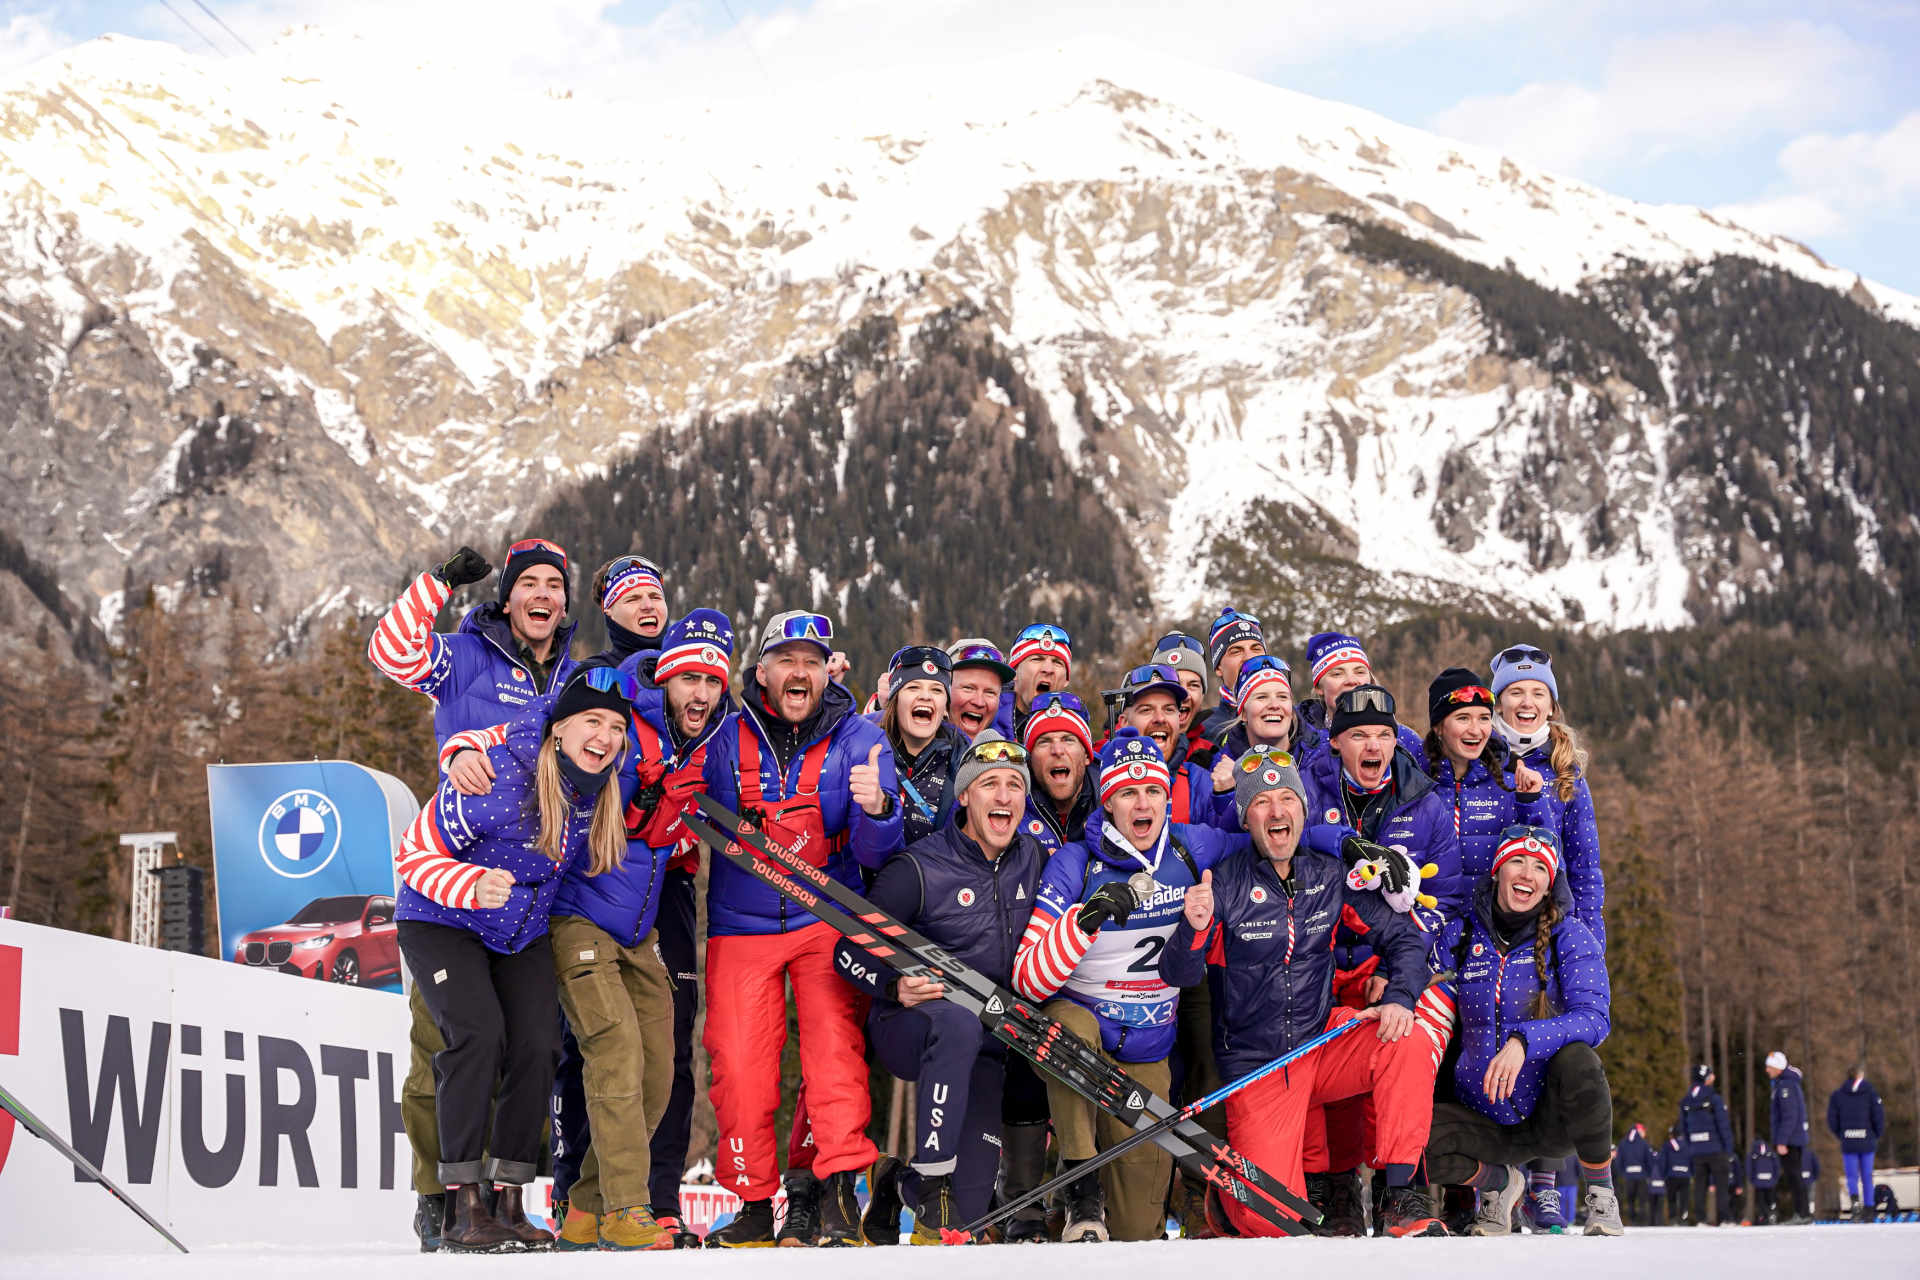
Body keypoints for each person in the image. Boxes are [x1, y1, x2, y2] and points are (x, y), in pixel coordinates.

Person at [367, 537, 581, 1248]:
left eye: (554, 585)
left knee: (529, 1043)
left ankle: (503, 1199)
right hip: (450, 866)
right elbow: (390, 652)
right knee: (450, 1044)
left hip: (522, 891)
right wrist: (435, 583)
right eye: (530, 583)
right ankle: (441, 1200)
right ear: (507, 596)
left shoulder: (572, 677)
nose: (543, 595)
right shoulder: (464, 655)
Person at [1161, 746, 1452, 1238]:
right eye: (1262, 802)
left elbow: (1404, 937)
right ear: (1246, 819)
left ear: (1302, 809)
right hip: (1260, 1065)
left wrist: (1401, 997)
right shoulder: (1225, 882)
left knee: (1408, 1038)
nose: (1277, 811)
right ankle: (1230, 1199)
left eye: (1287, 799)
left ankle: (1402, 1195)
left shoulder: (1327, 873)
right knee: (1269, 1220)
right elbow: (1180, 973)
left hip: (1322, 1042)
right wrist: (1194, 925)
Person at [393, 665, 634, 1252]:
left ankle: (508, 1198)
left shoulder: (593, 790)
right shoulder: (496, 776)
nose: (604, 737)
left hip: (517, 931)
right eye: (591, 721)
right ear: (559, 728)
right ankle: (461, 1206)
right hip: (441, 919)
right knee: (477, 1036)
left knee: (539, 1045)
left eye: (615, 727)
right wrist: (469, 884)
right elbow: (412, 855)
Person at [698, 609, 901, 1246]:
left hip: (826, 916)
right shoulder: (726, 735)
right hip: (740, 923)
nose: (799, 671)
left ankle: (837, 1190)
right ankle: (754, 1201)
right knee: (739, 1064)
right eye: (786, 660)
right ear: (762, 672)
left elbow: (874, 852)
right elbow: (680, 777)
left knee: (834, 1056)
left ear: (825, 674)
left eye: (811, 662)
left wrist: (878, 809)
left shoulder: (861, 739)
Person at [1011, 729, 1237, 1242]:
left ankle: (1071, 1201)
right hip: (1084, 1031)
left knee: (1138, 1231)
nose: (1143, 803)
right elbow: (1027, 979)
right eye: (1128, 793)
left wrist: (1342, 843)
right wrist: (1081, 922)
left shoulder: (1189, 846)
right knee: (1066, 1031)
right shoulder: (1075, 862)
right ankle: (1080, 1188)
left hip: (1147, 1049)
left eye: (1153, 790)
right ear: (1108, 802)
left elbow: (1268, 835)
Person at [835, 732, 1051, 1244]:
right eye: (990, 784)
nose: (1004, 796)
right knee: (957, 1020)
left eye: (1015, 785)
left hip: (989, 1044)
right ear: (965, 795)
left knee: (965, 1213)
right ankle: (931, 1180)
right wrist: (894, 985)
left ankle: (897, 1182)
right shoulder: (920, 868)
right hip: (914, 1025)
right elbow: (847, 953)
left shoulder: (1035, 859)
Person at [1299, 682, 1464, 1232]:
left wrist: (1396, 978)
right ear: (1336, 743)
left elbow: (1448, 904)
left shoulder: (1426, 803)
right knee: (1312, 1043)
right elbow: (1281, 841)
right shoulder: (1308, 785)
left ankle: (1403, 1187)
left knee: (1406, 1037)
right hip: (1322, 962)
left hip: (1402, 961)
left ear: (1396, 741)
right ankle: (1336, 1185)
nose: (1373, 746)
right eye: (1359, 736)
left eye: (1383, 736)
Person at [1425, 826, 1622, 1237]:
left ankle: (1601, 1195)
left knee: (1580, 1060)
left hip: (1546, 1117)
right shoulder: (1461, 934)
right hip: (1482, 1116)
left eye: (1539, 867)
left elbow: (1594, 1018)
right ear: (1498, 870)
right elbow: (1425, 989)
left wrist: (1524, 1040)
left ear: (1549, 883)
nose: (1527, 874)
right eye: (1517, 861)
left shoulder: (1570, 936)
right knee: (1408, 1141)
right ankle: (1500, 1185)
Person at [1488, 646, 1604, 948]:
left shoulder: (1566, 771)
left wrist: (1590, 944)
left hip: (1548, 929)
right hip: (1482, 928)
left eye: (1538, 693)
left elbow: (1585, 868)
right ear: (1498, 704)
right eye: (1515, 692)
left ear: (1551, 706)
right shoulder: (1475, 758)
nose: (1527, 702)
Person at [1422, 669, 1547, 880]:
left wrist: (1531, 801)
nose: (1476, 730)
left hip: (1489, 903)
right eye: (1463, 718)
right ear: (1438, 727)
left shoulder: (1510, 784)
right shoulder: (1415, 783)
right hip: (1429, 902)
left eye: (1484, 718)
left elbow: (1547, 861)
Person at [1112, 662, 1224, 825]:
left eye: (1169, 709)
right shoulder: (1102, 779)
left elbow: (1235, 835)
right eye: (1146, 710)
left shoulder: (1200, 784)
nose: (1160, 718)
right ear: (1124, 722)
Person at [879, 645, 967, 847]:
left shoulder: (962, 763)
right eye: (913, 687)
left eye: (936, 690)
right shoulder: (867, 750)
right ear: (895, 701)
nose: (926, 696)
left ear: (946, 708)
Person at [1294, 632, 1423, 763]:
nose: (1352, 680)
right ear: (1319, 688)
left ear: (1370, 681)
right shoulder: (1296, 739)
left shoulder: (1406, 741)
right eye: (1337, 674)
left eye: (1360, 672)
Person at [1018, 691, 1098, 856]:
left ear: (1086, 756)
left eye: (1068, 740)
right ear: (1030, 761)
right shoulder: (1012, 807)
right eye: (1044, 742)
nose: (1057, 750)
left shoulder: (1112, 805)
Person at [1196, 607, 1266, 742]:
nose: (1249, 657)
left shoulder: (1291, 718)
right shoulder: (1205, 731)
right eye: (1236, 651)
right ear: (1218, 668)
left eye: (1256, 649)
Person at [1677, 1063, 1735, 1225]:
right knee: (1721, 1185)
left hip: (1696, 1151)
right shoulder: (1714, 1098)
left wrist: (1690, 1148)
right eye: (1710, 1075)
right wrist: (1728, 1149)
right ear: (1705, 1078)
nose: (1713, 1078)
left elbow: (1684, 1129)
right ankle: (1724, 1218)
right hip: (1716, 1150)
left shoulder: (1686, 1102)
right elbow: (1723, 1125)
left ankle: (1700, 1219)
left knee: (1700, 1186)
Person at [1827, 1064, 1886, 1221]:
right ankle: (1869, 1208)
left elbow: (1832, 1119)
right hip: (1867, 1140)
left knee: (1851, 1176)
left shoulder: (1837, 1095)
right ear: (1860, 1075)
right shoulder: (1871, 1093)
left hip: (1848, 1141)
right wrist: (1876, 1134)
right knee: (1867, 1175)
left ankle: (1855, 1207)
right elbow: (1879, 1116)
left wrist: (1841, 1134)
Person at [996, 623, 1073, 740]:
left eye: (1057, 662)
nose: (1048, 669)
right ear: (1014, 671)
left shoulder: (1075, 732)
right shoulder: (985, 718)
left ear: (1066, 680)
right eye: (1037, 659)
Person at [1149, 632, 1216, 764]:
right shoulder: (1118, 747)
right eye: (1175, 683)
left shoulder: (1211, 755)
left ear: (1202, 694)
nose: (1184, 694)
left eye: (1193, 685)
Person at [591, 555, 670, 662]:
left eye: (655, 597)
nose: (648, 606)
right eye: (633, 599)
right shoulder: (595, 670)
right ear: (609, 612)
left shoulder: (687, 662)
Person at [1766, 1050, 1813, 1223]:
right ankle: (1801, 1213)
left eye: (1769, 1067)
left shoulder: (1786, 1086)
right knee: (1794, 1176)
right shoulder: (1783, 1084)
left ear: (1778, 1067)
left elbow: (1789, 1116)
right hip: (1792, 1138)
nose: (1767, 1070)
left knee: (1795, 1177)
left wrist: (1782, 1141)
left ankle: (1803, 1213)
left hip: (1791, 1140)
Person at [946, 639, 1013, 739]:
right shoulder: (921, 744)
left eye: (990, 692)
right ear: (945, 690)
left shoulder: (1009, 747)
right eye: (968, 688)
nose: (979, 702)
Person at [1614, 1123, 1655, 1225]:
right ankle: (1642, 1221)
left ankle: (1632, 1220)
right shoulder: (1644, 1143)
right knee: (1642, 1200)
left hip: (1628, 1176)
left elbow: (1619, 1161)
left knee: (1630, 1199)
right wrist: (1649, 1173)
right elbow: (1649, 1160)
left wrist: (1622, 1173)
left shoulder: (1623, 1143)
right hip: (1641, 1176)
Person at [1747, 1138, 1780, 1224]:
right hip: (1766, 1183)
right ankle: (1766, 1217)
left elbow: (1749, 1169)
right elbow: (1777, 1168)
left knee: (1763, 1201)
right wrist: (1775, 1179)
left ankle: (1766, 1217)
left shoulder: (1754, 1155)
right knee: (1767, 1201)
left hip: (1763, 1183)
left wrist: (1752, 1179)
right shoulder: (1771, 1154)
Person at [1664, 1125, 1692, 1224]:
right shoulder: (1688, 1145)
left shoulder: (1668, 1145)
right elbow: (1691, 1160)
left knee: (1672, 1198)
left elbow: (1663, 1161)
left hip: (1672, 1175)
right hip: (1685, 1175)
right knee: (1684, 1198)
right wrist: (1691, 1173)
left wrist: (1664, 1174)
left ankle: (1673, 1219)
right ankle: (1684, 1218)